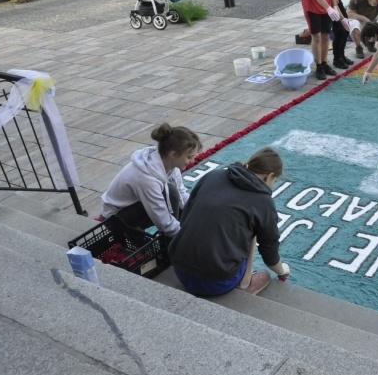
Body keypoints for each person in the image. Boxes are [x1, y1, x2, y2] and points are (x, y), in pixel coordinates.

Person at [168, 147, 290, 297]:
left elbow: (186, 215)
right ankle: (245, 283)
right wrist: (282, 270)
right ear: (269, 176)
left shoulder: (213, 175)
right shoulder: (263, 201)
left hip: (180, 269)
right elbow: (269, 252)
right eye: (274, 181)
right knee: (254, 229)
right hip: (217, 282)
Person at [100, 123, 202, 237]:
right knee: (171, 195)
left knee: (174, 196)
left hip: (138, 205)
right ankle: (138, 238)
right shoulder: (146, 179)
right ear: (174, 154)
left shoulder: (171, 165)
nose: (193, 160)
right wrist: (190, 235)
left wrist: (199, 214)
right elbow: (164, 223)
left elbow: (182, 196)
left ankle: (173, 238)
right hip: (116, 218)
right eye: (189, 157)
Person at [330, 0, 371, 68]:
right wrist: (342, 18)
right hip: (331, 3)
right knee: (339, 31)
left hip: (337, 1)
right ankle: (337, 59)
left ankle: (342, 56)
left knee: (346, 29)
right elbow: (333, 2)